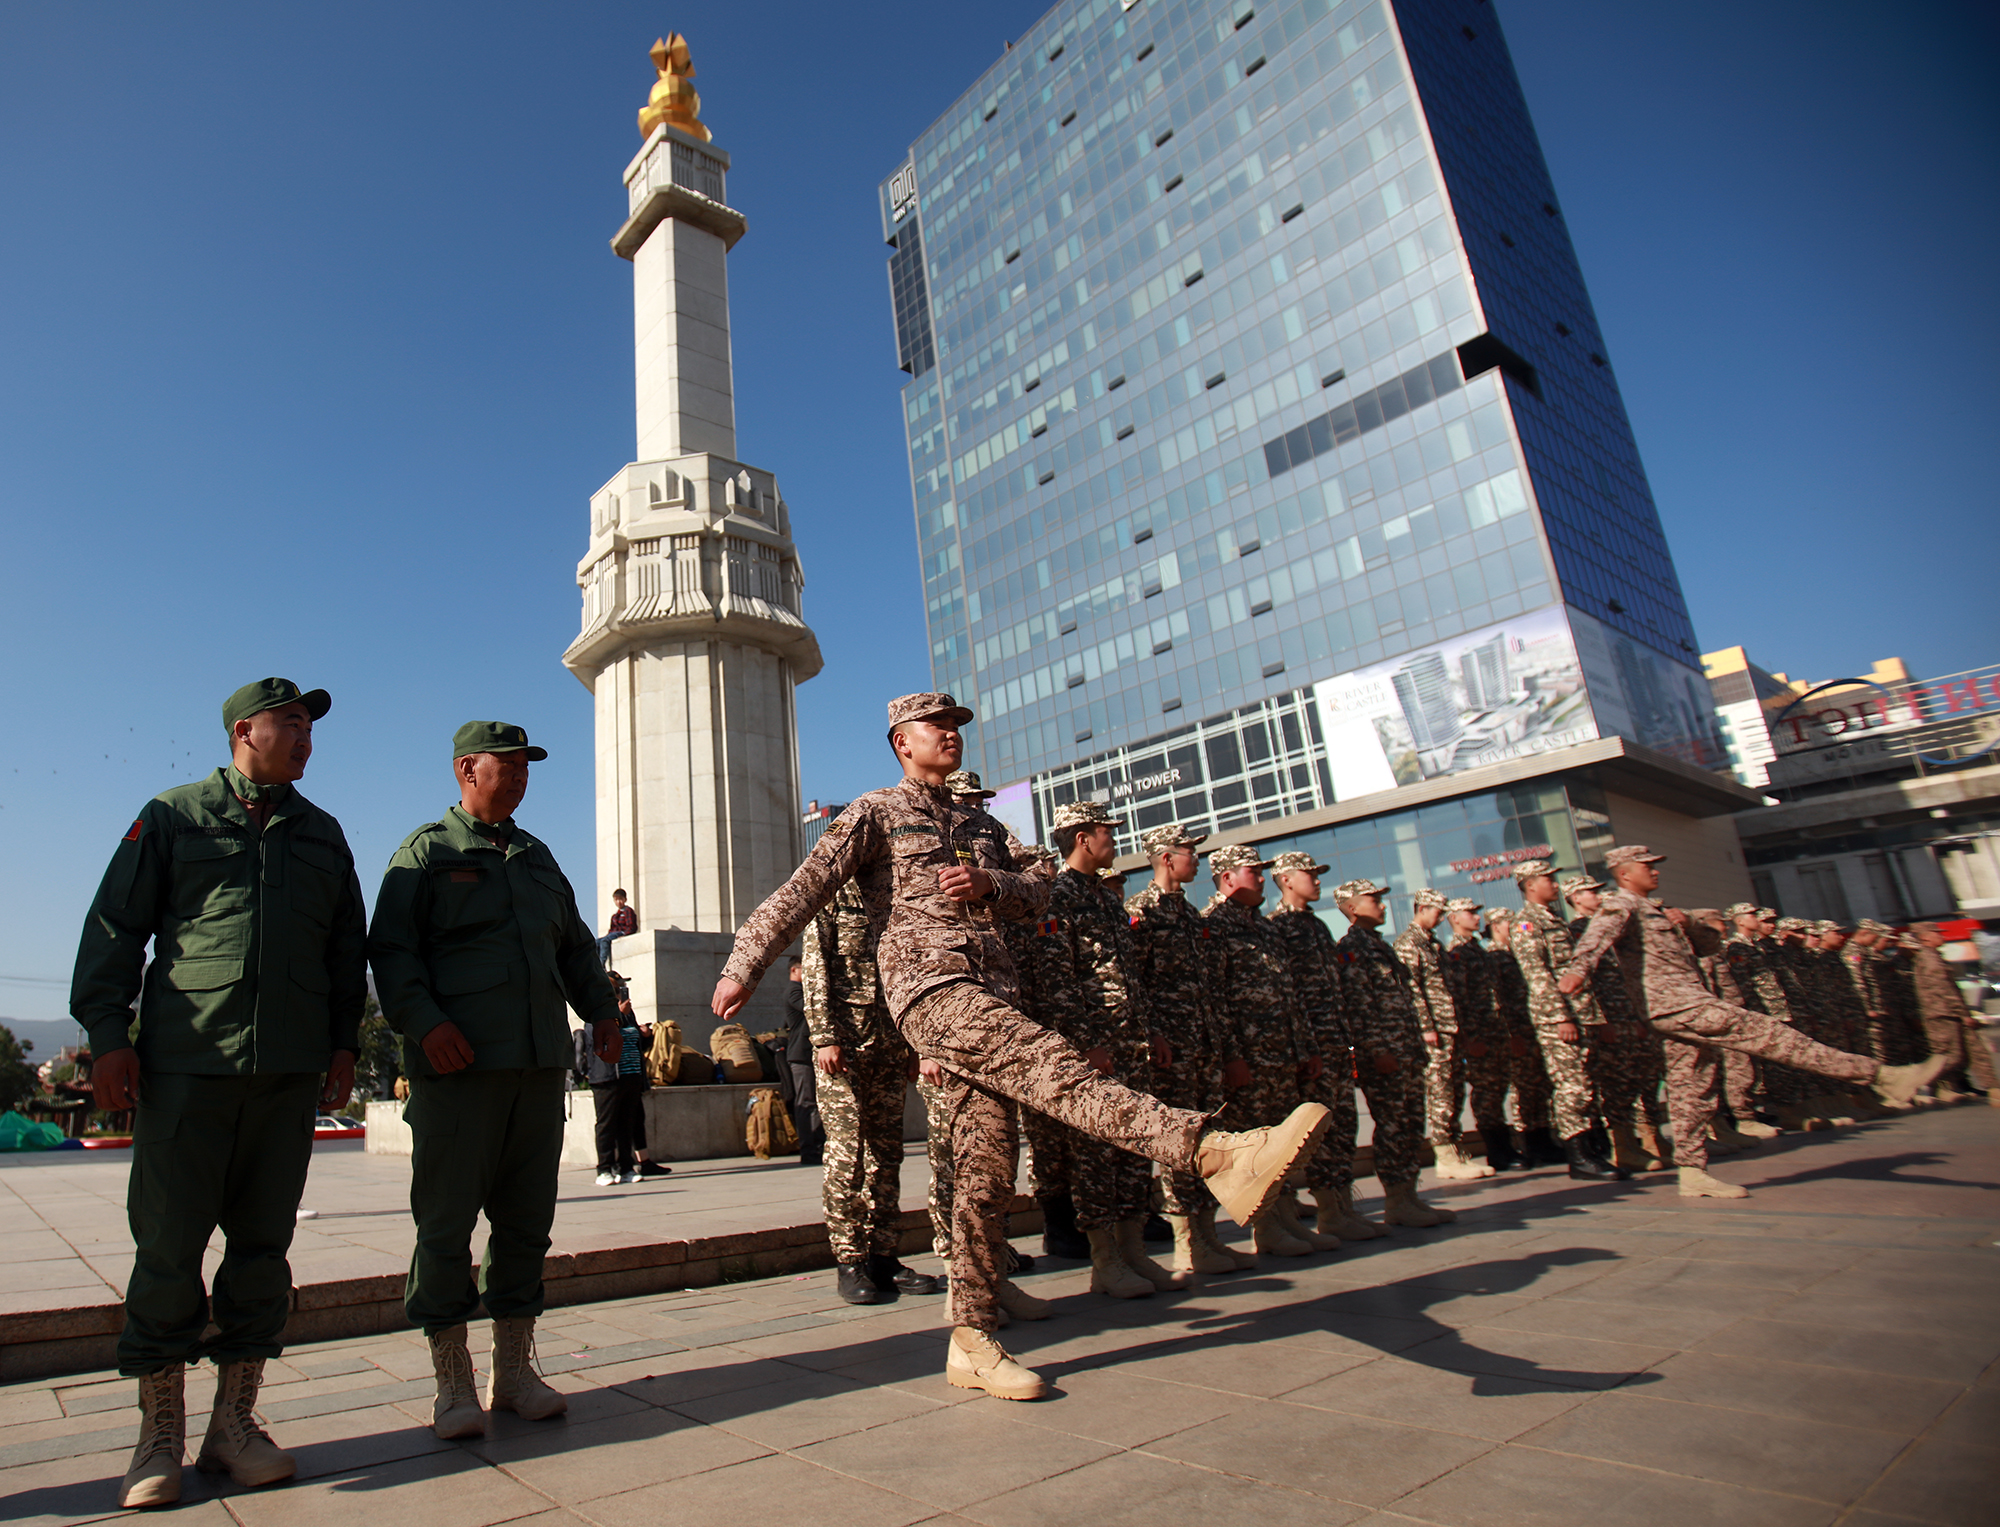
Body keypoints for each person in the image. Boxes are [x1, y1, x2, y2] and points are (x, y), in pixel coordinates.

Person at [709, 693, 1331, 1401]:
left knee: (986, 1169)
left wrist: (991, 882)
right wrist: (742, 963)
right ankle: (1214, 1150)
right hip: (931, 988)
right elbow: (804, 888)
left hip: (994, 990)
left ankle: (972, 1336)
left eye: (956, 725)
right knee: (1057, 1070)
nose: (950, 734)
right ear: (900, 742)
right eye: (935, 726)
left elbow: (1043, 889)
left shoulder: (982, 824)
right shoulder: (876, 811)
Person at [73, 677, 366, 1508]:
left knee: (263, 1250)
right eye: (291, 723)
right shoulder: (171, 816)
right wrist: (106, 1037)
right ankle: (156, 1434)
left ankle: (233, 1423)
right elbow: (114, 929)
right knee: (167, 1252)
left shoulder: (323, 834)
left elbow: (347, 948)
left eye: (310, 726)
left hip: (285, 1075)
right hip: (185, 1069)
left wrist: (343, 1041)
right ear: (245, 731)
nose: (306, 737)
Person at [369, 721, 621, 1440]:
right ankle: (452, 1379)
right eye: (503, 767)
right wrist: (426, 1023)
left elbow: (575, 948)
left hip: (537, 1069)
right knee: (445, 1224)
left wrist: (601, 1011)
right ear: (464, 769)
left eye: (525, 769)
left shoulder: (538, 857)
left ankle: (512, 1371)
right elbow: (391, 952)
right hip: (458, 1072)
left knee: (525, 1224)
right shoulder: (426, 852)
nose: (516, 779)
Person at [1559, 846, 1947, 1198]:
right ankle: (1882, 1077)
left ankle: (1692, 1172)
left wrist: (1688, 922)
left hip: (1686, 1003)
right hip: (1675, 1005)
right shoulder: (1620, 905)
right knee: (1771, 1034)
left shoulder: (1659, 910)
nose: (1655, 872)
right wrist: (1577, 971)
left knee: (1690, 1085)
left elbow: (1709, 947)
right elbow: (1597, 937)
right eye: (1647, 867)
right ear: (1626, 874)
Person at [1030, 801, 1186, 1296]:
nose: (1112, 840)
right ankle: (1105, 1260)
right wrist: (1088, 1044)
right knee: (1096, 1153)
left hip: (1132, 1042)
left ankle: (1134, 1251)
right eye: (1105, 832)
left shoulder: (1104, 898)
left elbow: (1131, 977)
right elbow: (1059, 980)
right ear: (1081, 837)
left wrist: (1153, 1031)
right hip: (1098, 1047)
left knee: (1135, 1148)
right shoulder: (1057, 898)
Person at [801, 876, 946, 1305]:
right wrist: (825, 1037)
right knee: (848, 1156)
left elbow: (909, 976)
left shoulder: (895, 896)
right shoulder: (831, 897)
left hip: (890, 1045)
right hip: (844, 1050)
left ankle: (885, 1257)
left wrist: (915, 1044)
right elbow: (814, 969)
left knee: (888, 1154)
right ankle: (850, 1262)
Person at [1126, 825, 1252, 1270]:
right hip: (1171, 1048)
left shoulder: (1192, 914)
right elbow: (1134, 981)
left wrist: (1227, 1048)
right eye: (1188, 852)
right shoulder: (1141, 911)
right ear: (1164, 857)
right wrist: (1152, 1034)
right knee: (1179, 1140)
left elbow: (1211, 987)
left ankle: (1207, 1232)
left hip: (1204, 1042)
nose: (1196, 859)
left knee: (1209, 1136)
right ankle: (1187, 1242)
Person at [1266, 851, 1382, 1242]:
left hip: (1334, 1041)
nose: (1316, 880)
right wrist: (1303, 1048)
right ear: (1285, 880)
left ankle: (1341, 1207)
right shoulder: (1278, 927)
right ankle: (1327, 1210)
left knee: (1343, 1124)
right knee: (1317, 1130)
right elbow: (1287, 992)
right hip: (1311, 1045)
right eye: (1309, 874)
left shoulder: (1316, 926)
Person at [1332, 879, 1454, 1227]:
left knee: (1412, 1123)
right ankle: (1397, 1201)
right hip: (1385, 1055)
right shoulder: (1352, 949)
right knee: (1393, 1124)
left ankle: (1409, 1196)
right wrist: (1377, 1050)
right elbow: (1359, 1007)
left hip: (1406, 1051)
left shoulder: (1379, 946)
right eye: (1374, 900)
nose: (1383, 905)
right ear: (1353, 908)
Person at [1508, 863, 1623, 1181]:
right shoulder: (1527, 923)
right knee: (1571, 1086)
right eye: (1548, 879)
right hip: (1559, 1017)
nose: (1555, 885)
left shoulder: (1554, 920)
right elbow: (1538, 974)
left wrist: (1593, 1017)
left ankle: (1594, 1150)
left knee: (1586, 1083)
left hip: (1580, 1012)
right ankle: (1580, 1157)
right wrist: (1560, 1017)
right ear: (1530, 885)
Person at [1565, 875, 1667, 1172]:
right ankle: (1623, 1145)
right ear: (1574, 898)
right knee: (1616, 1081)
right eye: (1589, 892)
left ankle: (1643, 1139)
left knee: (1639, 1076)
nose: (1596, 895)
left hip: (1629, 1013)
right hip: (1608, 1017)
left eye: (1597, 891)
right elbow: (1585, 979)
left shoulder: (1608, 926)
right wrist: (1601, 1019)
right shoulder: (1577, 931)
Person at [1395, 889, 1478, 1180]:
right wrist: (1426, 1028)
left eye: (1443, 912)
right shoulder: (1409, 943)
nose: (1441, 917)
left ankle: (1456, 1149)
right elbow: (1413, 989)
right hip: (1434, 1033)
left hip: (1449, 1028)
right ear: (1420, 908)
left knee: (1454, 1089)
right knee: (1440, 1091)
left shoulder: (1435, 945)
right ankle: (1444, 1154)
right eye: (1436, 911)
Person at [1439, 897, 1502, 1178]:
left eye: (1478, 912)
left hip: (1493, 1029)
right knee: (1485, 1088)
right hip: (1477, 1032)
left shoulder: (1477, 949)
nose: (1477, 918)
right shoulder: (1456, 951)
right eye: (1470, 913)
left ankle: (1505, 1146)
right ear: (1454, 918)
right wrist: (1470, 1035)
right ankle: (1496, 1148)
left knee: (1497, 1085)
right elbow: (1460, 998)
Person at [1909, 922, 2000, 1102]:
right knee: (1949, 1056)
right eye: (1937, 933)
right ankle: (1921, 1085)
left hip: (1952, 1013)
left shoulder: (1934, 956)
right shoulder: (1929, 959)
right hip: (1943, 1015)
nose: (1941, 936)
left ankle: (1993, 1088)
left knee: (1975, 1051)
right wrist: (1963, 1013)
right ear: (1925, 937)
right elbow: (1944, 990)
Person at [586, 985, 657, 1186]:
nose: (619, 994)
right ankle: (604, 1169)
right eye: (615, 990)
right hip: (607, 1078)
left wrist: (646, 1036)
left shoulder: (628, 1014)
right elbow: (599, 1038)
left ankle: (626, 1167)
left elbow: (635, 1044)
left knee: (627, 1124)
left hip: (631, 1076)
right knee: (606, 1125)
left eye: (619, 990)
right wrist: (617, 1015)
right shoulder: (597, 1012)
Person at [597, 888, 637, 967]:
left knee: (605, 940)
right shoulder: (615, 916)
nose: (618, 902)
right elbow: (612, 929)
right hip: (613, 933)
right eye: (616, 900)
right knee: (596, 942)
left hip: (622, 932)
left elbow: (631, 926)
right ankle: (596, 963)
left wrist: (625, 934)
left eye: (620, 899)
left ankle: (602, 963)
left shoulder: (628, 911)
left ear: (625, 899)